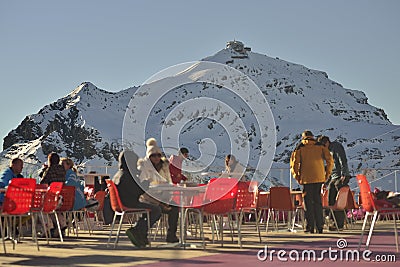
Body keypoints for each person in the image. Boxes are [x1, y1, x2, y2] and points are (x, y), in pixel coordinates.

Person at [113, 150, 161, 248]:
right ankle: (138, 230)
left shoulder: (120, 174)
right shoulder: (127, 175)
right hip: (130, 203)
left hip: (122, 203)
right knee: (156, 210)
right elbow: (138, 191)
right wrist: (146, 183)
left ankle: (141, 234)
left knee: (151, 208)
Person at [137, 138, 180, 243]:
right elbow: (143, 187)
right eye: (153, 155)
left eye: (158, 155)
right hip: (147, 198)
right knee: (157, 210)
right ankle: (142, 233)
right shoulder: (143, 167)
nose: (156, 158)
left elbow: (168, 182)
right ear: (149, 156)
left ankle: (171, 235)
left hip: (163, 196)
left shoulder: (164, 167)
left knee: (175, 207)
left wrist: (166, 197)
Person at [291, 130, 333, 234]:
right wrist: (326, 174)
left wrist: (298, 177)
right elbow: (330, 160)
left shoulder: (300, 148)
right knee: (318, 202)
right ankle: (320, 226)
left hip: (306, 179)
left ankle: (310, 226)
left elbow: (294, 164)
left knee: (308, 203)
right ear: (312, 137)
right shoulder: (320, 146)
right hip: (319, 178)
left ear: (303, 137)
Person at [317, 135, 351, 231]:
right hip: (334, 176)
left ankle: (339, 223)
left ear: (327, 142)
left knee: (338, 199)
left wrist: (344, 174)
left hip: (340, 176)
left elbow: (342, 160)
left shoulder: (336, 147)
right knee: (330, 198)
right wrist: (326, 181)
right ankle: (335, 221)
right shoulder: (327, 151)